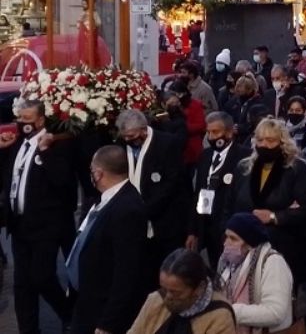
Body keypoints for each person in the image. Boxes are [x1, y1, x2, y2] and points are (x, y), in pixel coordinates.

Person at [0, 100, 73, 333]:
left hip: (45, 227)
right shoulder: (17, 144)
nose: (23, 124)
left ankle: (69, 315)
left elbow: (63, 182)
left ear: (40, 120)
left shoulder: (56, 145)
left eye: (28, 120)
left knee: (42, 277)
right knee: (22, 287)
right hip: (20, 226)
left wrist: (45, 151)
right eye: (20, 119)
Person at [226, 118, 306, 288]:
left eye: (270, 140)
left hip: (283, 248)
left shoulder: (296, 168)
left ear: (282, 142)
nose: (264, 145)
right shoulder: (243, 167)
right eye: (260, 140)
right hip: (244, 247)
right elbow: (231, 204)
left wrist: (273, 216)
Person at [68, 145, 148, 334]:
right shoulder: (107, 199)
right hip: (88, 303)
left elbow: (126, 273)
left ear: (98, 173)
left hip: (102, 313)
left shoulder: (127, 209)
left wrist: (107, 323)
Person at [116, 109, 187, 290]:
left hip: (164, 221)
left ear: (143, 130)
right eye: (124, 137)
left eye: (131, 136)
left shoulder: (168, 144)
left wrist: (144, 210)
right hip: (135, 222)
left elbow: (172, 185)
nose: (127, 140)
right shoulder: (124, 145)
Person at [186, 112, 251, 270]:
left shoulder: (244, 157)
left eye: (215, 132)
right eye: (208, 132)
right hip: (205, 223)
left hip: (228, 225)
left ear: (229, 132)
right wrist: (193, 230)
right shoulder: (205, 155)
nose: (211, 136)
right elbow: (200, 192)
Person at [218, 213, 294, 333]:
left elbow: (275, 312)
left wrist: (231, 311)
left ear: (250, 243)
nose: (226, 243)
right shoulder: (227, 264)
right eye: (226, 237)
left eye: (233, 238)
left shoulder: (273, 263)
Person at [127, 249, 236, 333]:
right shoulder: (155, 300)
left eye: (176, 293)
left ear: (199, 288)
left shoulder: (219, 315)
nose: (168, 297)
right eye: (164, 289)